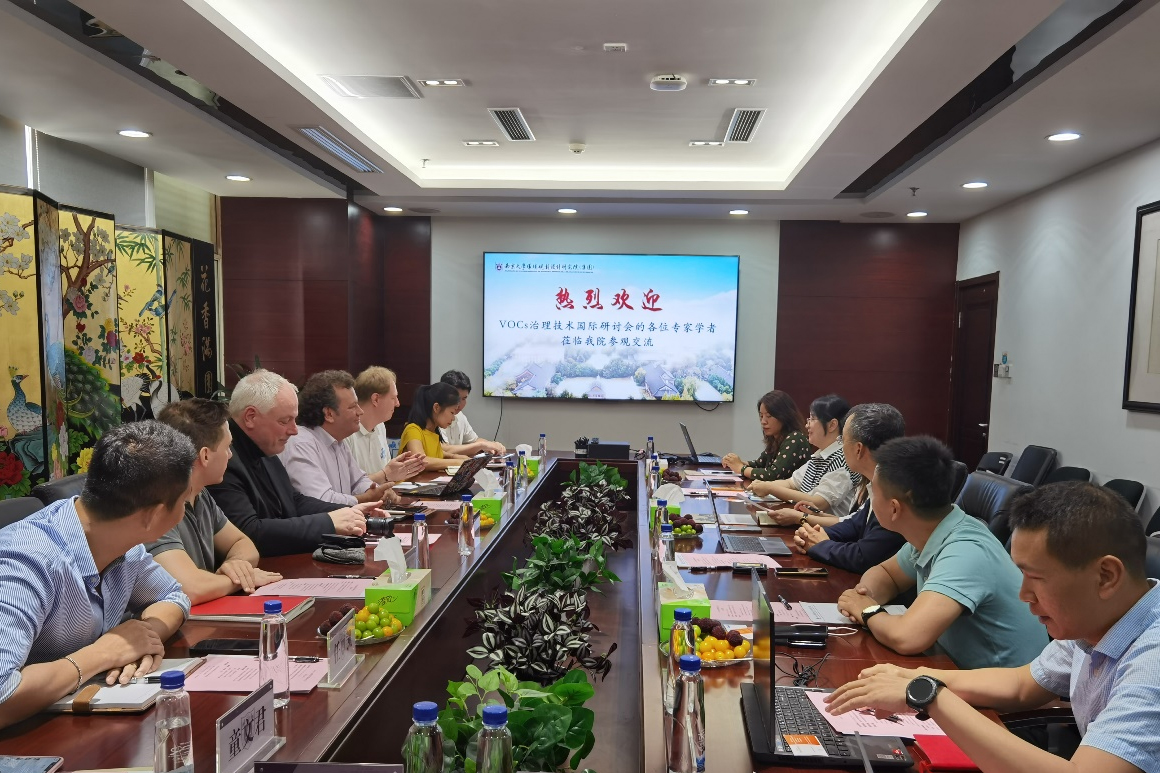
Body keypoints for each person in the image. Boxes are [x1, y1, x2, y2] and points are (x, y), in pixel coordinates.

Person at [826, 482, 1160, 773]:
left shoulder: (1151, 662)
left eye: (1036, 578)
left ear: (1106, 577)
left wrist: (928, 695)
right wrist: (913, 677)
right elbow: (1022, 684)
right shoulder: (1094, 621)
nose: (1023, 594)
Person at [0, 422, 193, 729]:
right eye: (184, 501)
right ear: (154, 515)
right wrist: (102, 654)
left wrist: (142, 638)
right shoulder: (27, 559)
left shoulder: (124, 544)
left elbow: (174, 596)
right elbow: (3, 693)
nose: (185, 509)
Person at [834, 436, 1047, 669]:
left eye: (874, 493)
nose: (871, 500)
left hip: (1002, 686)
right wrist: (865, 594)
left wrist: (866, 610)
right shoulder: (932, 530)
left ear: (894, 508)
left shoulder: (965, 551)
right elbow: (888, 574)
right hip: (953, 667)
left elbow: (907, 637)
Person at [208, 369, 382, 556]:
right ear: (250, 417)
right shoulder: (223, 459)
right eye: (285, 421)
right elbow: (250, 532)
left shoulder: (264, 447)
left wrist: (350, 512)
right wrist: (330, 522)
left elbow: (294, 500)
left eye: (294, 420)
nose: (294, 430)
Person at [148, 398, 282, 605]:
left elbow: (242, 543)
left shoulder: (200, 494)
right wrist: (239, 580)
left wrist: (237, 565)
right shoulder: (155, 505)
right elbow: (190, 588)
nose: (230, 455)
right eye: (227, 447)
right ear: (205, 456)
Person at [792, 403, 908, 574]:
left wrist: (820, 544)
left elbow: (864, 557)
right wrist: (814, 534)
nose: (841, 446)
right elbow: (854, 525)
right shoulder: (877, 481)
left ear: (858, 449)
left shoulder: (896, 491)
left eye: (842, 440)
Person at [280, 370, 424, 506]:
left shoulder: (338, 441)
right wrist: (364, 498)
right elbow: (321, 501)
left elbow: (358, 481)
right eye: (353, 406)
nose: (360, 411)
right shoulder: (302, 444)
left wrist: (378, 491)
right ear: (329, 414)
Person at [748, 394, 858, 526]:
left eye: (812, 419)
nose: (807, 425)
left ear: (832, 425)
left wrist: (770, 488)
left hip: (829, 532)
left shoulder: (843, 459)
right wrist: (761, 486)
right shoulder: (820, 456)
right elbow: (791, 483)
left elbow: (818, 502)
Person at [343, 366, 426, 482]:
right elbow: (347, 485)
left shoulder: (380, 426)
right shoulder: (345, 433)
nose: (397, 403)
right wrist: (387, 475)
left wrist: (398, 470)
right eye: (393, 398)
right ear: (376, 399)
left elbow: (386, 475)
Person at [721, 390, 811, 482]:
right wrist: (735, 462)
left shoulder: (795, 438)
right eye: (761, 416)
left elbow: (772, 474)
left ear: (784, 416)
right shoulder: (776, 437)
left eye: (769, 416)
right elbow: (760, 464)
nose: (763, 421)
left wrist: (741, 468)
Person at [400, 381, 479, 471]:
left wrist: (454, 456)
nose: (453, 418)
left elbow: (436, 453)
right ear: (436, 408)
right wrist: (458, 462)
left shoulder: (434, 431)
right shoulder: (413, 429)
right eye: (452, 412)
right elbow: (421, 461)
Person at [438, 370, 505, 455]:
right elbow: (443, 450)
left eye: (464, 398)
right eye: (456, 399)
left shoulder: (460, 415)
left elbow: (474, 440)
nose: (459, 404)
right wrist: (482, 445)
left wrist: (492, 445)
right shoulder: (436, 417)